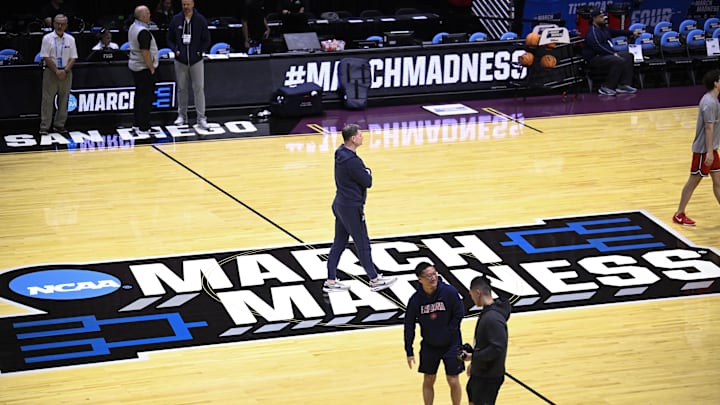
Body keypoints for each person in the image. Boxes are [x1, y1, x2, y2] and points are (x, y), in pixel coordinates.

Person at [323, 124, 397, 293]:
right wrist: (367, 171)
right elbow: (367, 181)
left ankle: (331, 281)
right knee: (363, 243)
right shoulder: (353, 161)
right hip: (351, 208)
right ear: (353, 138)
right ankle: (374, 279)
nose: (362, 137)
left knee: (339, 243)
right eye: (360, 135)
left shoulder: (340, 152)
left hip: (340, 203)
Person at [404, 262, 464, 405]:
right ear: (420, 279)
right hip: (430, 344)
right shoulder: (415, 300)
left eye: (434, 274)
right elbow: (409, 325)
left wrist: (450, 331)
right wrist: (409, 350)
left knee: (453, 380)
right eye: (428, 276)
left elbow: (459, 313)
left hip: (452, 343)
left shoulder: (449, 292)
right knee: (429, 379)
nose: (433, 278)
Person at [672, 69, 720, 226]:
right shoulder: (709, 103)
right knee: (693, 181)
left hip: (711, 149)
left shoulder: (713, 100)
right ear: (716, 83)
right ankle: (679, 213)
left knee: (718, 181)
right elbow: (708, 128)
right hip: (703, 151)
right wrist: (709, 153)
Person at [462, 275, 511, 405]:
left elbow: (497, 348)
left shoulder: (492, 318)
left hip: (489, 375)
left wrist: (474, 356)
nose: (471, 298)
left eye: (471, 294)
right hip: (482, 370)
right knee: (470, 390)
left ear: (477, 293)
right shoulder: (490, 312)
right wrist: (475, 361)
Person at [167, 0, 211, 129]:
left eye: (188, 4)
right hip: (180, 60)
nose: (186, 7)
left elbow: (207, 39)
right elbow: (169, 38)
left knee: (198, 89)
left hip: (196, 60)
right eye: (183, 4)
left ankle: (201, 118)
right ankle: (182, 116)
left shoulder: (200, 19)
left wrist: (200, 52)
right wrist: (175, 50)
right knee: (181, 89)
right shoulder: (176, 19)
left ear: (193, 4)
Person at [581, 7, 640, 96]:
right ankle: (607, 87)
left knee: (628, 55)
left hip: (605, 56)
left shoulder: (604, 28)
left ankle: (623, 85)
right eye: (601, 17)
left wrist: (631, 33)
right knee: (618, 60)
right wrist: (613, 54)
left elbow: (617, 32)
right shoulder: (592, 32)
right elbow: (598, 47)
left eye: (603, 16)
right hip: (594, 59)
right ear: (594, 18)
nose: (604, 18)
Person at [39, 14, 77, 137]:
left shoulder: (71, 39)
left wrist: (65, 71)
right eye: (57, 23)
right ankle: (45, 126)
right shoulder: (47, 38)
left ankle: (60, 125)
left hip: (66, 72)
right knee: (47, 100)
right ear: (53, 24)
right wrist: (56, 71)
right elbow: (45, 56)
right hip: (51, 72)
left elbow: (73, 57)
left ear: (66, 25)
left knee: (64, 100)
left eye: (62, 24)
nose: (60, 26)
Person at [127, 5, 159, 134]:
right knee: (146, 99)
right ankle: (144, 127)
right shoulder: (142, 31)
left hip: (135, 66)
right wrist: (151, 68)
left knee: (139, 96)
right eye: (148, 13)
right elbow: (145, 52)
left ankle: (136, 124)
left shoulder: (133, 26)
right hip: (143, 68)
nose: (150, 15)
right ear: (143, 16)